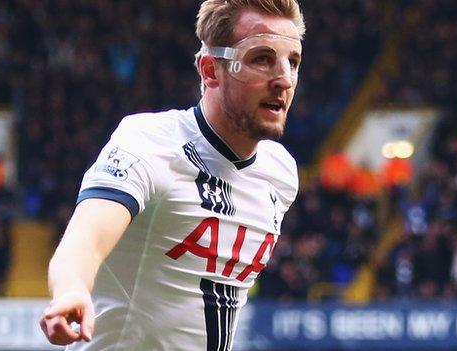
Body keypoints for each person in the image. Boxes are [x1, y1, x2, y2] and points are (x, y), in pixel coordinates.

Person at [39, 0, 305, 349]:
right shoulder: (148, 143)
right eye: (262, 58)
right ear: (211, 70)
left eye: (293, 61)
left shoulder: (280, 173)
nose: (284, 79)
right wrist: (72, 289)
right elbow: (84, 239)